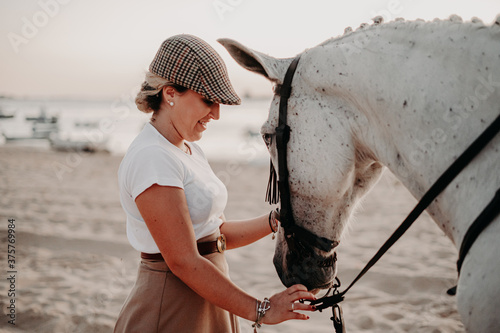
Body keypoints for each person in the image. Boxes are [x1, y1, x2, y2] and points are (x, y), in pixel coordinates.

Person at [114, 34, 315, 333]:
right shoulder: (152, 157)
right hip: (172, 305)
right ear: (170, 93)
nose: (217, 114)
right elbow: (183, 260)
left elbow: (216, 234)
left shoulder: (187, 149)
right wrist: (262, 309)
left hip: (209, 294)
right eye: (208, 100)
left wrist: (276, 220)